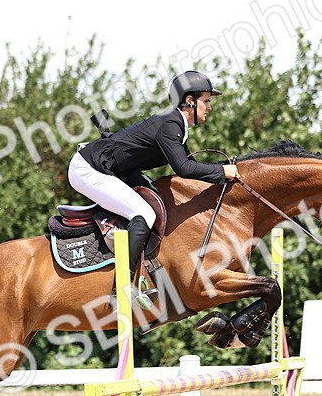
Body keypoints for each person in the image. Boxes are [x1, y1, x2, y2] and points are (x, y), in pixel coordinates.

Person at [68, 70, 239, 308]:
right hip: (88, 169)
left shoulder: (176, 124)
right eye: (206, 100)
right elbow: (184, 168)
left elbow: (192, 164)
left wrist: (222, 173)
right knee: (144, 214)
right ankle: (122, 290)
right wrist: (222, 172)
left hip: (111, 167)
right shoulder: (171, 125)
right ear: (190, 100)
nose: (210, 107)